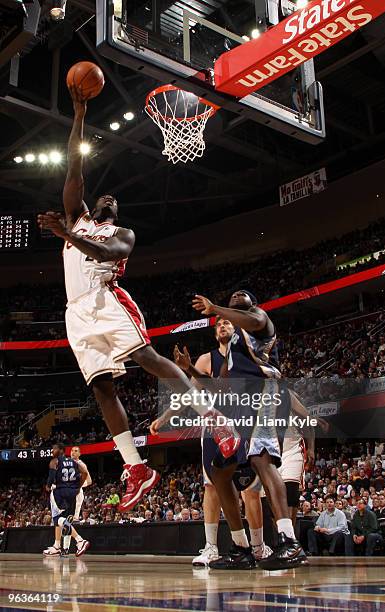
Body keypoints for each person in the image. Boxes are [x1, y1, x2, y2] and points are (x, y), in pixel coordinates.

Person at [37, 87, 238, 513]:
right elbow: (75, 169)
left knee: (147, 358)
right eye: (103, 196)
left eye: (115, 200)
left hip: (107, 300)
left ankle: (212, 418)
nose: (108, 198)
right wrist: (78, 112)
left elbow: (106, 255)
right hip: (76, 313)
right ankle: (136, 467)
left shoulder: (121, 234)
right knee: (102, 390)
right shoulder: (79, 216)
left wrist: (67, 236)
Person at [189, 291, 307, 570]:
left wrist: (214, 307)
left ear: (251, 303)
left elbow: (251, 321)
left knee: (261, 459)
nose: (237, 295)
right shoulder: (231, 352)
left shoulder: (259, 320)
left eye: (242, 295)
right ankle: (241, 548)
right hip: (240, 405)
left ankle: (289, 541)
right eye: (232, 296)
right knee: (220, 471)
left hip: (265, 393)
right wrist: (191, 369)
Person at [173, 324, 273, 567]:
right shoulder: (207, 358)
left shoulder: (247, 356)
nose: (222, 326)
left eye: (226, 322)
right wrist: (166, 417)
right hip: (216, 425)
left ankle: (257, 546)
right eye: (218, 324)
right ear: (214, 333)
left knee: (250, 489)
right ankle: (212, 547)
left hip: (247, 420)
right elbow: (192, 393)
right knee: (212, 486)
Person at [43, 443, 90, 557]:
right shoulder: (74, 462)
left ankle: (80, 540)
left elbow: (51, 477)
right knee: (64, 519)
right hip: (72, 493)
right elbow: (84, 472)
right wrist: (78, 486)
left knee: (57, 518)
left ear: (61, 450)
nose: (52, 451)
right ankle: (57, 546)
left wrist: (48, 486)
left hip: (60, 492)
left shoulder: (55, 461)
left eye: (54, 449)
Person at [62, 446, 92, 555]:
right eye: (72, 451)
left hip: (76, 494)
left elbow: (89, 481)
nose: (73, 453)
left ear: (79, 454)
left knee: (67, 521)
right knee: (65, 522)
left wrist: (77, 486)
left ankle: (79, 542)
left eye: (76, 451)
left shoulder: (81, 464)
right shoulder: (67, 463)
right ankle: (65, 549)